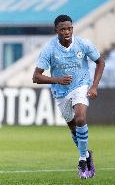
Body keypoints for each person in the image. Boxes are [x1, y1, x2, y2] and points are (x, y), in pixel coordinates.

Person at [32, 14, 105, 179]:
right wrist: (57, 80)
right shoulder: (49, 49)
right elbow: (36, 77)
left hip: (81, 86)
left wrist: (94, 86)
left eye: (69, 28)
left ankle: (82, 160)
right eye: (63, 29)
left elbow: (100, 61)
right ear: (56, 30)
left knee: (80, 118)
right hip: (60, 92)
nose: (67, 32)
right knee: (73, 128)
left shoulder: (83, 44)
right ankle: (86, 153)